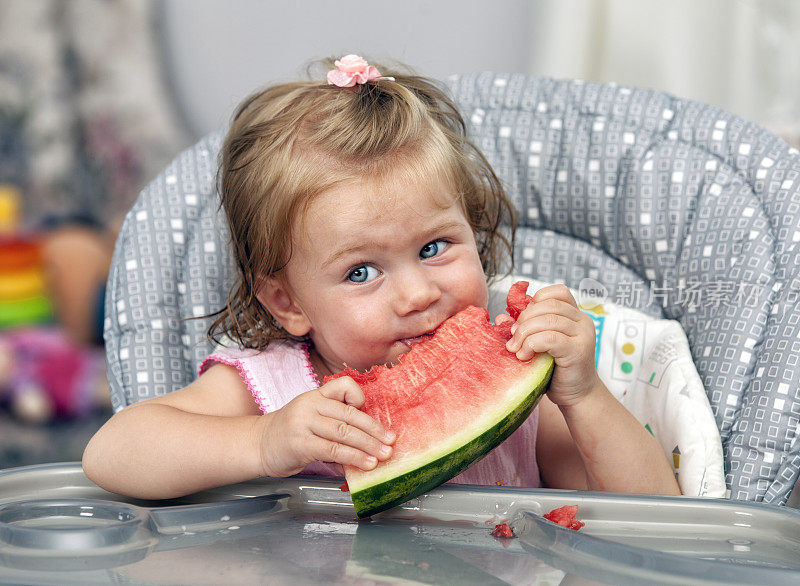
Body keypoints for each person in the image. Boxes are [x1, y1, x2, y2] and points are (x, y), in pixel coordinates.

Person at [83, 55, 680, 499]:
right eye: (361, 271)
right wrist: (265, 442)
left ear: (473, 232)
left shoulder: (521, 381)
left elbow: (660, 519)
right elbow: (111, 454)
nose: (418, 294)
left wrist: (584, 397)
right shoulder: (270, 388)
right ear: (287, 302)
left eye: (434, 247)